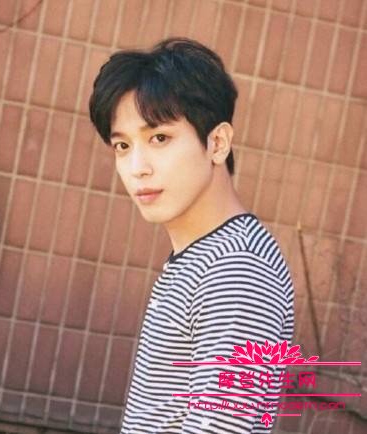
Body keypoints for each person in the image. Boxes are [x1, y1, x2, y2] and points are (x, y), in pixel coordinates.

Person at [89, 37, 294, 434]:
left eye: (159, 138)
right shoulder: (205, 257)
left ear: (217, 143)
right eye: (122, 145)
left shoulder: (238, 270)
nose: (137, 167)